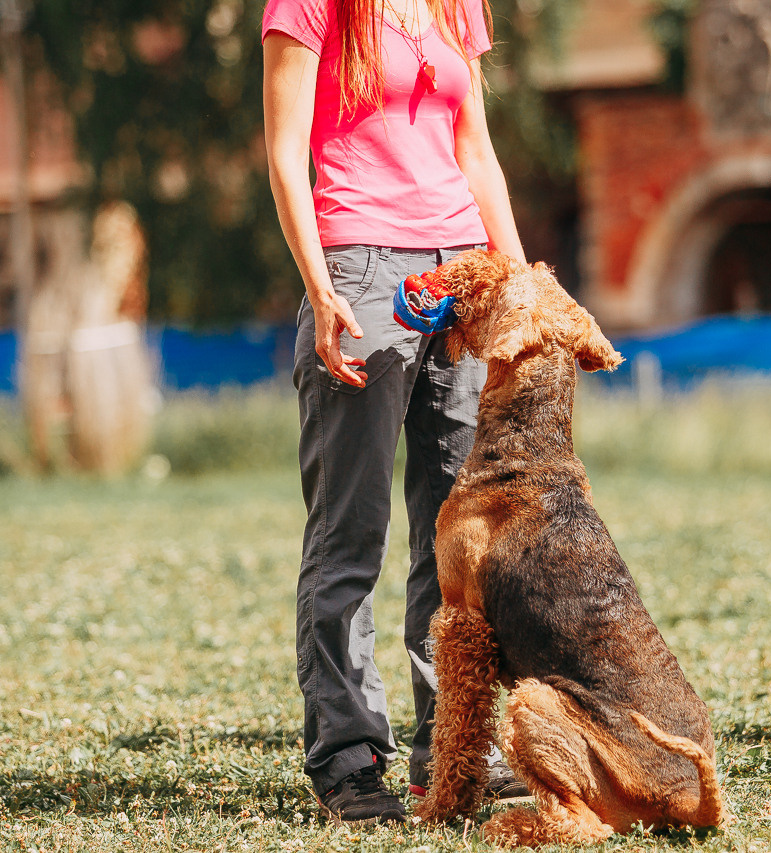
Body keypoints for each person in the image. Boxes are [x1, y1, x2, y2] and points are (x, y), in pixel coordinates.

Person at [261, 0, 528, 824]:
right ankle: (349, 756)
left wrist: (519, 286)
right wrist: (320, 285)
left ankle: (456, 748)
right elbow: (283, 149)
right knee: (350, 533)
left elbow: (475, 150)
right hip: (361, 272)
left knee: (456, 540)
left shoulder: (457, 5)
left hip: (462, 275)